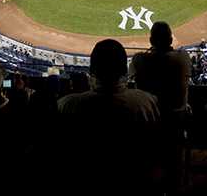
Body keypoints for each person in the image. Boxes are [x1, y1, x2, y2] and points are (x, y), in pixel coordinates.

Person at [57, 39, 160, 193]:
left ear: (91, 70)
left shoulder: (66, 105)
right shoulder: (147, 102)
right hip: (138, 185)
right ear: (124, 70)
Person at [130, 22, 192, 118]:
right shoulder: (183, 57)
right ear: (171, 40)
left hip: (149, 118)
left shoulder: (139, 59)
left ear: (151, 40)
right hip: (177, 120)